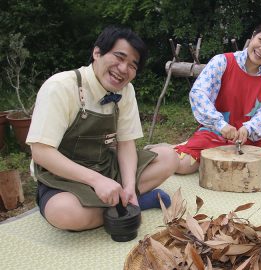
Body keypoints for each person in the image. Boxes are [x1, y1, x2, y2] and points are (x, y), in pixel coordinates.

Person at [27, 26, 178, 231]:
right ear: (97, 53)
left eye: (132, 65)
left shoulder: (126, 91)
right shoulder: (60, 86)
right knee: (64, 213)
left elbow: (126, 144)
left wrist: (128, 186)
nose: (123, 69)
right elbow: (41, 152)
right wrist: (96, 180)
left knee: (169, 157)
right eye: (119, 57)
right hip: (64, 178)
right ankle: (133, 206)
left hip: (107, 167)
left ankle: (128, 199)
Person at [174, 21, 261, 174]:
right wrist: (220, 125)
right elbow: (198, 93)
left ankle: (221, 163)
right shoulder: (222, 61)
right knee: (183, 164)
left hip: (249, 139)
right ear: (253, 36)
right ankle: (239, 165)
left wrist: (248, 129)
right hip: (214, 133)